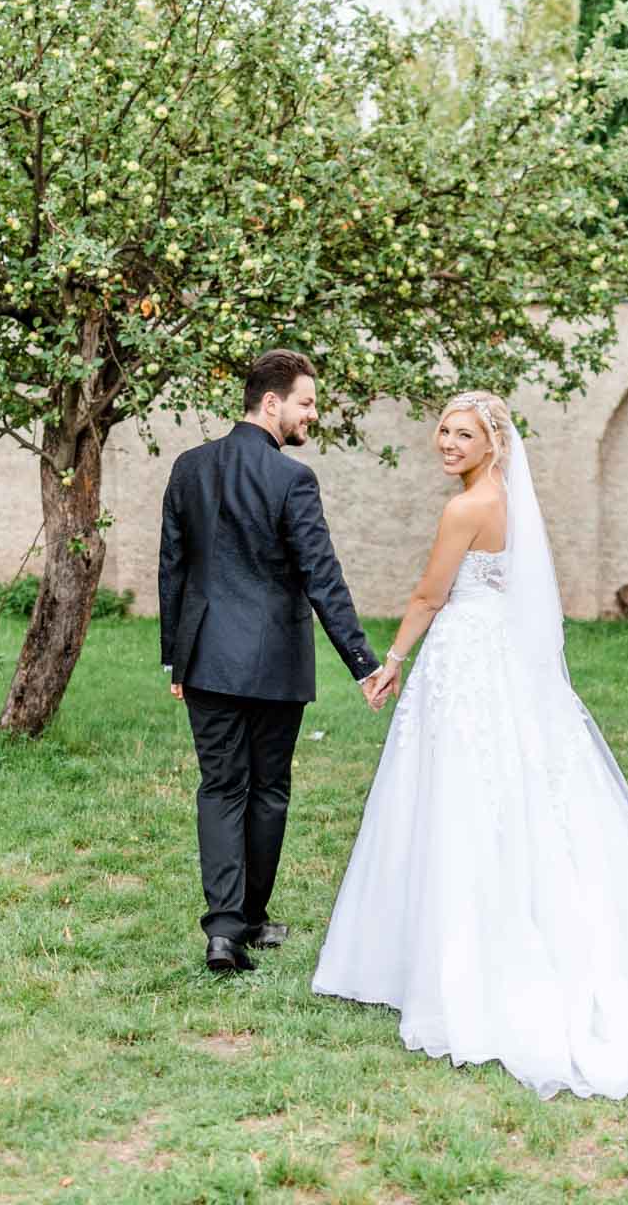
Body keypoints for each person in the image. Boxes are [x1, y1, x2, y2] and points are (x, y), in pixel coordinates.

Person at [313, 390, 628, 1100]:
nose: (447, 444)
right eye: (442, 432)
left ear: (493, 444)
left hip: (465, 656)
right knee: (504, 791)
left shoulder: (465, 508)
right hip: (501, 660)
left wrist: (391, 663)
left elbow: (430, 597)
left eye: (462, 435)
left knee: (459, 795)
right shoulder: (507, 504)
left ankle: (461, 962)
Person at [158, 350, 386, 974]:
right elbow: (323, 577)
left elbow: (172, 568)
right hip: (274, 664)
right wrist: (362, 662)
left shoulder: (189, 467)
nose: (314, 414)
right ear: (271, 404)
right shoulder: (293, 480)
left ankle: (225, 932)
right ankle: (248, 920)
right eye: (307, 402)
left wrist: (176, 661)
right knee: (268, 791)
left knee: (221, 787)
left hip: (205, 659)